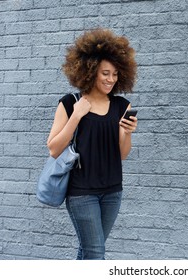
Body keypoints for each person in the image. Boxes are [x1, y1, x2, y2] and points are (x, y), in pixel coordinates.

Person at [46, 28, 137, 260]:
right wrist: (76, 115)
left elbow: (122, 155)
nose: (111, 79)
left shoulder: (121, 106)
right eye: (105, 73)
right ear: (90, 70)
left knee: (88, 252)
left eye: (115, 74)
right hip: (82, 193)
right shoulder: (70, 103)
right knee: (96, 254)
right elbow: (54, 148)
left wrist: (126, 133)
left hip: (112, 191)